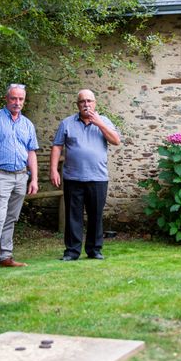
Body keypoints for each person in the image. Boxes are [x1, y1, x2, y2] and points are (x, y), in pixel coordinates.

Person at [50, 89, 121, 261]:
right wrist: (53, 170)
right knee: (73, 216)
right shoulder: (67, 123)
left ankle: (94, 250)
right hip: (73, 177)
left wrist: (99, 124)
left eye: (89, 101)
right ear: (78, 105)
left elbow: (116, 140)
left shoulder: (104, 121)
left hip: (98, 177)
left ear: (95, 103)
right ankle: (72, 252)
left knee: (96, 215)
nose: (86, 104)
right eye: (83, 101)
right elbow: (57, 146)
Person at [0, 84, 39, 274]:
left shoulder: (27, 124)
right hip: (0, 175)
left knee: (11, 218)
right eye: (13, 98)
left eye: (21, 99)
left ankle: (5, 257)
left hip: (21, 176)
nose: (17, 102)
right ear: (6, 99)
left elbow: (31, 153)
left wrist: (34, 179)